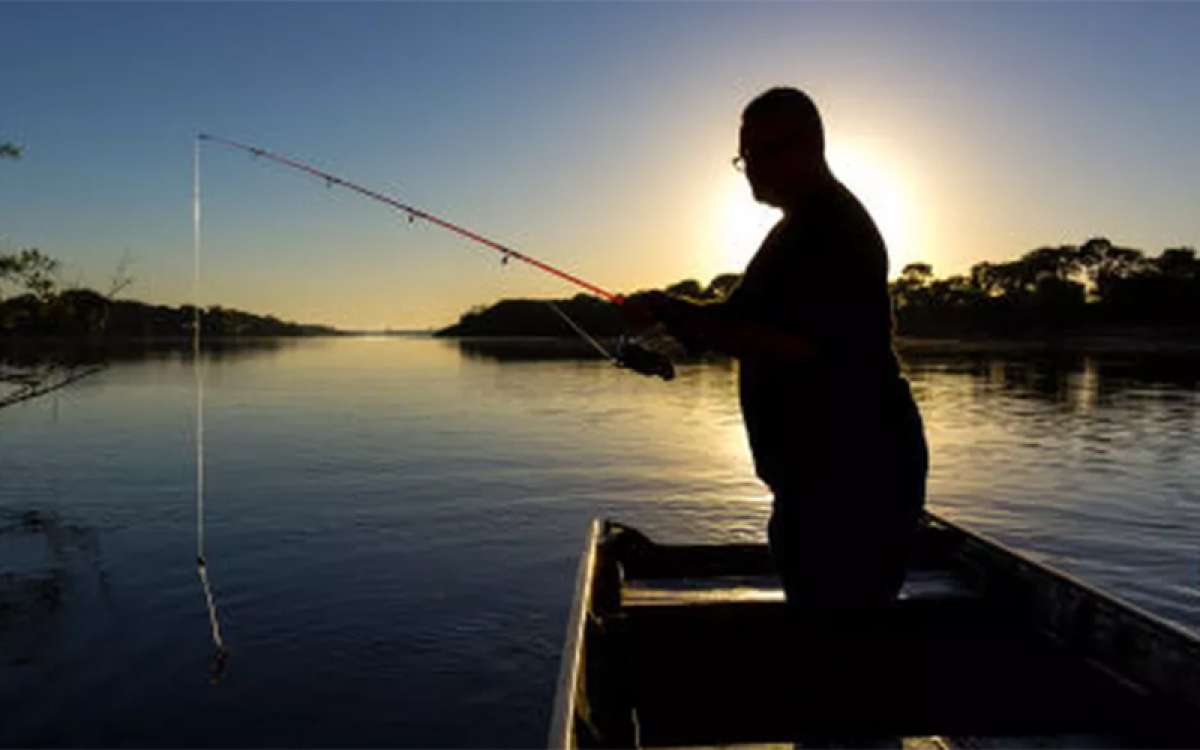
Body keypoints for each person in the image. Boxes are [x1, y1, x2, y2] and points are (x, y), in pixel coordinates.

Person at [625, 87, 928, 611]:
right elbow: (739, 321)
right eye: (745, 157)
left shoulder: (833, 230)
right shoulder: (795, 231)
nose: (751, 169)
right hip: (814, 481)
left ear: (810, 145)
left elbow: (800, 345)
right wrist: (668, 310)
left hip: (853, 481)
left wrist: (679, 316)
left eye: (763, 154)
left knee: (842, 636)